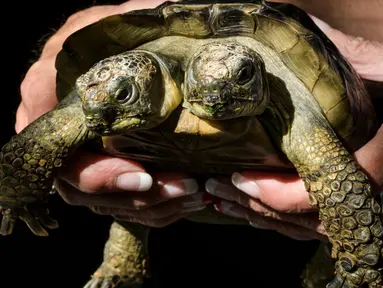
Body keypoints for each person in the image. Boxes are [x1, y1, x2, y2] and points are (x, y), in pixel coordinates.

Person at [16, 0, 382, 242]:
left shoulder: (283, 91)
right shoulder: (125, 75)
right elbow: (37, 142)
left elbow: (341, 183)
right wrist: (21, 186)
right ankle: (127, 245)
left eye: (236, 80)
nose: (215, 98)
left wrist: (359, 254)